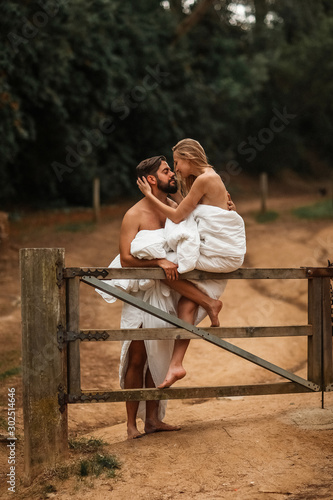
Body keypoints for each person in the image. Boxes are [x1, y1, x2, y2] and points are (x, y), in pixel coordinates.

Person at [97, 155, 231, 439]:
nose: (173, 174)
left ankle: (153, 420)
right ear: (150, 179)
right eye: (166, 171)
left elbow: (206, 223)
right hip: (142, 296)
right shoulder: (134, 215)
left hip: (168, 291)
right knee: (137, 356)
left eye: (171, 169)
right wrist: (157, 263)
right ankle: (132, 424)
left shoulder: (174, 206)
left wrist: (227, 207)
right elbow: (126, 258)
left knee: (159, 355)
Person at [137, 138, 246, 389]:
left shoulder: (205, 179)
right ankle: (177, 365)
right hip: (216, 250)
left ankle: (211, 303)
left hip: (220, 252)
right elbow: (192, 210)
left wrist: (148, 196)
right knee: (187, 301)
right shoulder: (205, 180)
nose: (176, 169)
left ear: (188, 157)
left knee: (164, 267)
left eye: (176, 163)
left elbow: (176, 215)